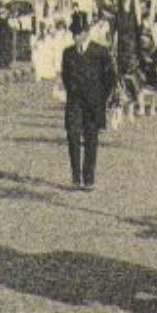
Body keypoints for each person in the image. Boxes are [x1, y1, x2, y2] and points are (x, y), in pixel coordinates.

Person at [61, 17, 116, 190]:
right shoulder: (68, 53)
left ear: (86, 33)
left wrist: (102, 98)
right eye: (73, 34)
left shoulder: (100, 52)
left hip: (94, 103)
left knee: (91, 139)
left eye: (78, 33)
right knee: (72, 135)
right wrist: (72, 91)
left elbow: (110, 78)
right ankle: (76, 176)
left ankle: (89, 178)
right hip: (74, 102)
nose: (75, 37)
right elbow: (65, 76)